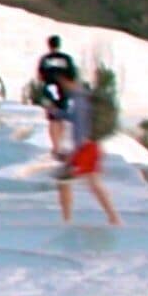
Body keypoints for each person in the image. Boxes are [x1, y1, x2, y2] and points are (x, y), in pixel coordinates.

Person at [52, 75, 121, 226]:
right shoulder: (84, 99)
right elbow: (75, 120)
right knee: (83, 182)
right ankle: (111, 217)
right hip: (88, 147)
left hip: (85, 148)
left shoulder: (79, 102)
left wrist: (75, 153)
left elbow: (80, 126)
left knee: (80, 181)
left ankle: (112, 218)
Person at [33, 35, 80, 152]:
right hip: (63, 91)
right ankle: (60, 142)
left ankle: (55, 145)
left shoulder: (45, 59)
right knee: (61, 117)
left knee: (52, 118)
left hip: (49, 90)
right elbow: (73, 76)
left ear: (49, 45)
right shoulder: (66, 59)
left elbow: (40, 76)